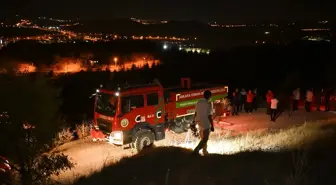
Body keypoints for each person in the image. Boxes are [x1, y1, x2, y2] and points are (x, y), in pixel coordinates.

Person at [192, 90, 214, 155]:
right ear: (209, 96)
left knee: (202, 138)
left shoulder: (198, 102)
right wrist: (212, 126)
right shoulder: (208, 104)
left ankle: (205, 152)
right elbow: (209, 116)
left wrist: (194, 121)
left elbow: (195, 112)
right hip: (205, 123)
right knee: (205, 139)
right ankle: (196, 150)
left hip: (199, 122)